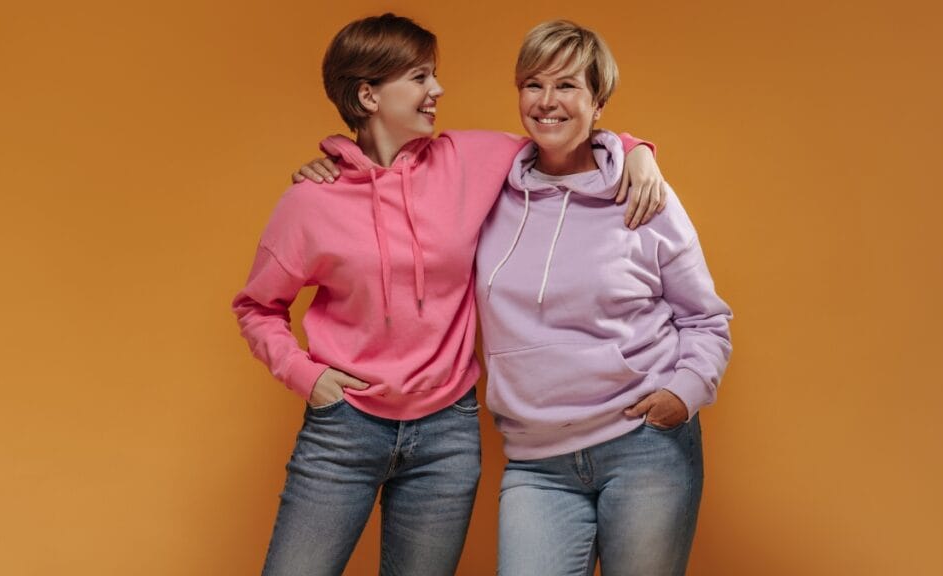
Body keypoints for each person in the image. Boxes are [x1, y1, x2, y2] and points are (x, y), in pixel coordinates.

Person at [233, 13, 665, 576]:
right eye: (419, 78)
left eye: (433, 75)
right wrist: (308, 378)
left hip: (446, 434)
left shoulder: (469, 159)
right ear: (368, 94)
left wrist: (635, 149)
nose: (437, 91)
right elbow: (257, 307)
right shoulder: (312, 201)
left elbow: (562, 135)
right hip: (345, 429)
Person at [474, 21, 733, 575]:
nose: (547, 102)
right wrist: (330, 167)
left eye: (567, 86)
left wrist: (683, 394)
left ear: (598, 101)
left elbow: (706, 319)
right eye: (533, 84)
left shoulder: (642, 195)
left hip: (644, 449)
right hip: (535, 462)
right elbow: (403, 170)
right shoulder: (487, 188)